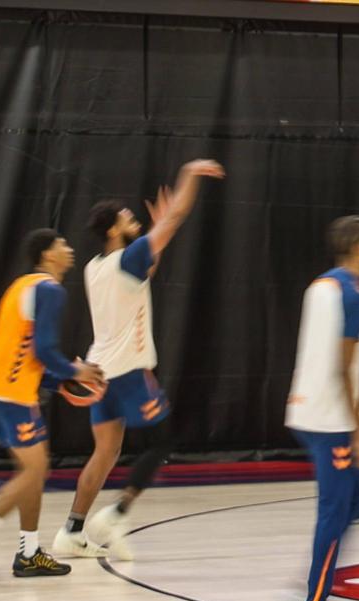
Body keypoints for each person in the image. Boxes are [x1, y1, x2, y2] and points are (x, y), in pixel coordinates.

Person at [51, 159, 226, 560]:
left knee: (106, 454)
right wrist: (191, 173)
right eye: (128, 218)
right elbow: (178, 213)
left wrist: (160, 233)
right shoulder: (128, 258)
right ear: (114, 229)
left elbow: (143, 269)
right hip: (128, 370)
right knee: (163, 441)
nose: (136, 221)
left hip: (100, 374)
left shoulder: (98, 266)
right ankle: (117, 512)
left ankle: (72, 530)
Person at [0, 229, 105, 577]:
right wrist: (76, 371)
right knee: (36, 470)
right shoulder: (50, 289)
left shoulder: (23, 286)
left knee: (32, 471)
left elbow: (25, 348)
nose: (69, 248)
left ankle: (29, 553)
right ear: (48, 254)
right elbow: (44, 350)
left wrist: (59, 381)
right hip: (9, 389)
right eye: (62, 244)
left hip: (4, 385)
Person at [287, 215, 359, 601]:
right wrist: (357, 432)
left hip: (307, 408)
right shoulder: (357, 294)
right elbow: (343, 365)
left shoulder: (321, 284)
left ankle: (316, 580)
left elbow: (334, 357)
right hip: (330, 420)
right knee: (336, 507)